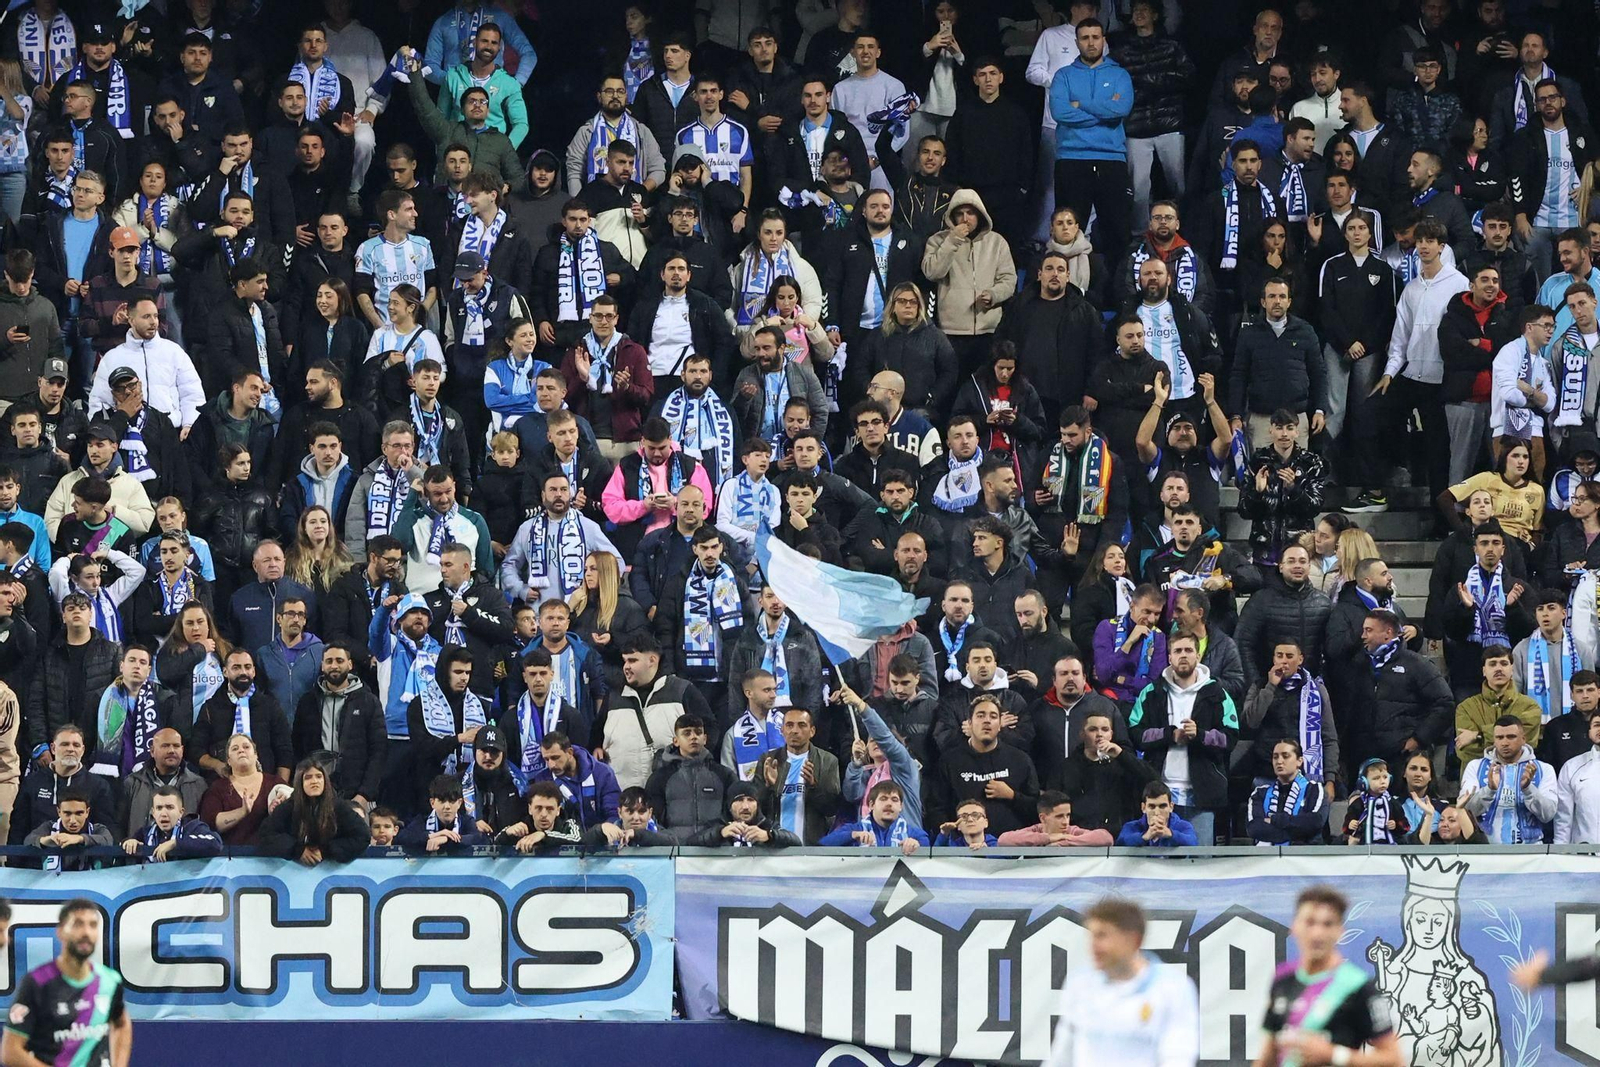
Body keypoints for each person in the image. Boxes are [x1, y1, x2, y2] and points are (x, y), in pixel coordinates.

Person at [1256, 887, 1404, 1067]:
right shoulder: (1282, 978)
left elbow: (1393, 1060)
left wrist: (1334, 1055)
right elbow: (1268, 1054)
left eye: (1327, 924)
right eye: (1310, 922)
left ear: (1340, 931)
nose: (1318, 934)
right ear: (1294, 926)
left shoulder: (1359, 986)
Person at [2, 899, 130, 1066]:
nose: (86, 932)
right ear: (60, 931)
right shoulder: (37, 982)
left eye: (92, 925)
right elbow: (10, 1052)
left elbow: (121, 1024)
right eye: (78, 924)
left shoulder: (110, 981)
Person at [1460, 714, 1556, 842]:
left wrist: (1528, 789)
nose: (1505, 743)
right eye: (1499, 737)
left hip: (1531, 853)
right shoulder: (1475, 766)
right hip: (1486, 851)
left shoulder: (1543, 769)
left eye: (1511, 737)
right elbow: (1467, 812)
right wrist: (1489, 790)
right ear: (1494, 740)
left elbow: (1548, 815)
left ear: (1523, 739)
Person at [198, 733, 283, 846]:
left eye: (246, 747)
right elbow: (212, 824)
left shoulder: (275, 783)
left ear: (256, 755)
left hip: (270, 855)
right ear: (228, 760)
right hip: (230, 857)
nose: (241, 751)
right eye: (235, 749)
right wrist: (242, 812)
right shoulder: (217, 788)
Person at [1247, 739, 1330, 845]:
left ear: (1299, 761)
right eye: (1275, 757)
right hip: (1266, 859)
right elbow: (1254, 828)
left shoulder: (1314, 789)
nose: (1279, 761)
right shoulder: (1260, 793)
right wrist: (1294, 833)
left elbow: (1314, 823)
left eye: (1285, 756)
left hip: (1305, 857)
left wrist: (1274, 820)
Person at [120, 785, 224, 861]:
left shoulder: (193, 827)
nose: (164, 813)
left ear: (181, 812)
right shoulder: (144, 833)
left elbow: (215, 843)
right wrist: (129, 842)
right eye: (159, 808)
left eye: (170, 807)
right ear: (153, 812)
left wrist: (175, 843)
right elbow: (125, 843)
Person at [395, 773, 487, 853]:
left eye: (452, 801)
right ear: (432, 803)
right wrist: (432, 836)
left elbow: (476, 838)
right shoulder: (422, 820)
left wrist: (446, 839)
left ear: (459, 803)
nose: (447, 806)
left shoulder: (466, 821)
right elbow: (402, 837)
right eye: (442, 801)